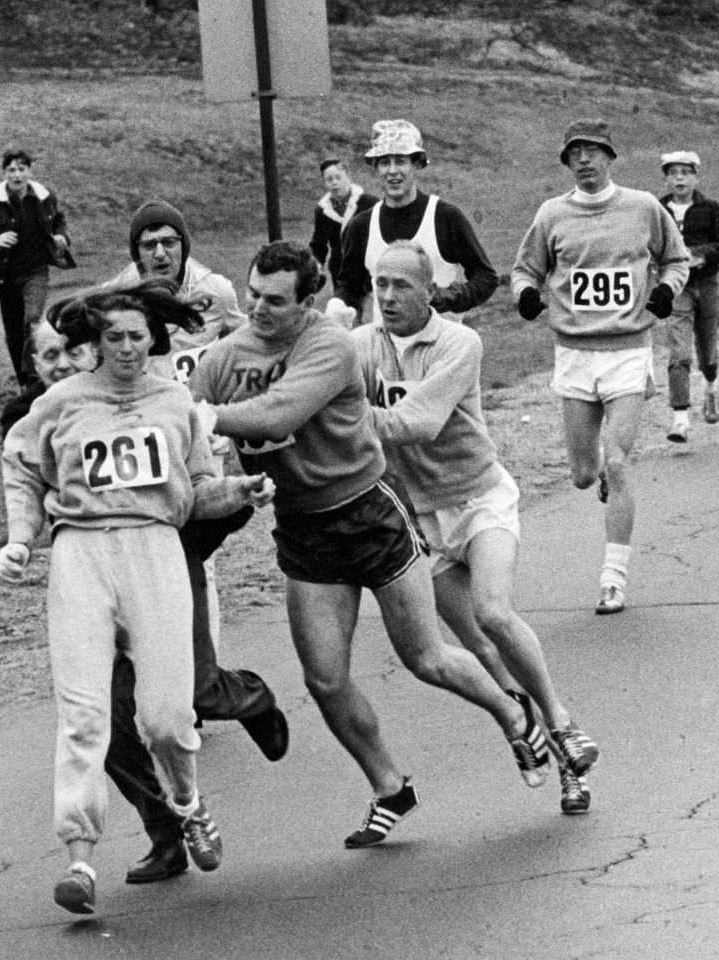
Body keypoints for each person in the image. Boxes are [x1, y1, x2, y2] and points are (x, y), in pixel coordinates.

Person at [190, 240, 551, 849]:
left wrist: (204, 416)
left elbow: (279, 414)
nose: (260, 309)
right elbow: (188, 428)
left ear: (308, 303)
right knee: (324, 680)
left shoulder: (330, 345)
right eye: (253, 294)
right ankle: (390, 787)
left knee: (425, 657)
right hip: (304, 528)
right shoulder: (224, 357)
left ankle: (513, 713)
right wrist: (212, 472)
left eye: (276, 301)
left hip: (369, 513)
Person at [0, 284, 275, 914]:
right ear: (94, 341)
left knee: (167, 717)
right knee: (85, 714)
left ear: (154, 340)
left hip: (154, 550)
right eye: (112, 336)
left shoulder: (177, 404)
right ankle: (80, 858)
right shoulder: (61, 402)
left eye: (136, 336)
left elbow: (198, 490)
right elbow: (19, 462)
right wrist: (18, 538)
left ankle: (188, 804)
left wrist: (239, 491)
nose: (124, 347)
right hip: (81, 555)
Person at [352, 240, 600, 815]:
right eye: (379, 285)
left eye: (401, 286)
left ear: (430, 291)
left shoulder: (461, 342)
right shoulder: (361, 345)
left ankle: (560, 723)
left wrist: (342, 415)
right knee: (483, 654)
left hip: (478, 498)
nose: (387, 297)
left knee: (494, 612)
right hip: (420, 517)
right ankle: (549, 753)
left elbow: (418, 421)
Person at [510, 119, 689, 616]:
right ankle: (604, 476)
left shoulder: (643, 207)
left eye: (593, 152)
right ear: (567, 163)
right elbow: (526, 267)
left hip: (628, 349)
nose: (585, 161)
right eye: (575, 154)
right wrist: (526, 294)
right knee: (586, 475)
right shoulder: (552, 214)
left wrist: (665, 291)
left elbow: (677, 260)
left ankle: (613, 579)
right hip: (574, 352)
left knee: (618, 460)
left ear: (609, 156)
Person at [105, 198, 246, 647]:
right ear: (136, 252)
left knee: (199, 559)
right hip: (147, 443)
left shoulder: (215, 290)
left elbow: (243, 341)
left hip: (202, 442)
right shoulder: (122, 294)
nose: (160, 254)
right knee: (147, 556)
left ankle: (203, 671)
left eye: (169, 242)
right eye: (149, 245)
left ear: (184, 246)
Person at [329, 119, 498, 326]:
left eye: (400, 161)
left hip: (441, 347)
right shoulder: (361, 226)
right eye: (384, 162)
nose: (392, 171)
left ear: (416, 164)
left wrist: (449, 296)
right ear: (376, 167)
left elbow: (485, 276)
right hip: (387, 348)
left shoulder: (444, 217)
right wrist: (338, 304)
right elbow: (350, 285)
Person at [658, 151, 719, 442]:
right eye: (673, 172)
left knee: (707, 354)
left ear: (695, 177)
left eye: (685, 172)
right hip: (675, 289)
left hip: (706, 286)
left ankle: (712, 388)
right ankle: (680, 420)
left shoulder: (712, 208)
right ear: (666, 178)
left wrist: (701, 256)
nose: (679, 178)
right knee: (679, 352)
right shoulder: (657, 209)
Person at [0, 148, 75, 387]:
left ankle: (35, 379)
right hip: (6, 277)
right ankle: (24, 383)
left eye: (21, 169)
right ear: (4, 172)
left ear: (30, 170)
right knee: (14, 332)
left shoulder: (44, 196)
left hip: (35, 271)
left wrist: (61, 237)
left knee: (33, 319)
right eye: (11, 170)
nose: (16, 175)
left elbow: (58, 220)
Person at [309, 157, 377, 290]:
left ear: (349, 177)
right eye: (329, 179)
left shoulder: (369, 203)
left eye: (338, 177)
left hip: (368, 270)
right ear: (324, 183)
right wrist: (315, 266)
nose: (334, 183)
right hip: (339, 272)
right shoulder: (322, 211)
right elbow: (318, 245)